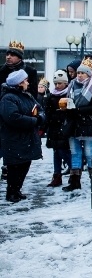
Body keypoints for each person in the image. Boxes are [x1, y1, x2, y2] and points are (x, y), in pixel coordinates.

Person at [0, 70, 45, 202]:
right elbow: (12, 117)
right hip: (14, 138)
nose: (27, 82)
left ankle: (17, 190)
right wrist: (34, 121)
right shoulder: (8, 98)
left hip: (26, 137)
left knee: (25, 164)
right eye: (25, 80)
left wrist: (40, 117)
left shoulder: (27, 96)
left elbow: (40, 109)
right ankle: (11, 192)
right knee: (15, 166)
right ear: (19, 83)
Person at [62, 58, 92, 192]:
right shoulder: (72, 84)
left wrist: (77, 110)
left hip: (89, 123)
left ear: (89, 74)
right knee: (75, 153)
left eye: (82, 73)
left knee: (89, 152)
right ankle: (75, 181)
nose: (79, 75)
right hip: (74, 124)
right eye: (78, 73)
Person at [44, 70, 72, 187]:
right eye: (56, 83)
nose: (57, 86)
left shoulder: (69, 94)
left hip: (64, 128)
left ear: (65, 83)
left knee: (63, 151)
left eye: (60, 83)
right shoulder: (51, 96)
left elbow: (70, 113)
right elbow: (48, 112)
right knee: (56, 152)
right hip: (54, 128)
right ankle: (57, 175)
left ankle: (74, 170)